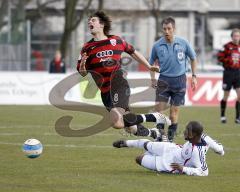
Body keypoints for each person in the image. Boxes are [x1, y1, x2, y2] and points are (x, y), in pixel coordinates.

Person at [76, 11, 171, 138]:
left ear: (102, 24)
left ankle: (154, 117)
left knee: (117, 121)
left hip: (118, 84)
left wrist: (148, 66)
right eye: (89, 21)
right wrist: (82, 67)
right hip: (105, 93)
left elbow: (133, 52)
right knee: (128, 127)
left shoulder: (116, 40)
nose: (89, 22)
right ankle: (155, 133)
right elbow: (82, 73)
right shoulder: (87, 48)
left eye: (93, 20)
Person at [113, 121, 224, 176]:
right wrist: (221, 151)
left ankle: (159, 138)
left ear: (193, 134)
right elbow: (218, 147)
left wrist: (183, 169)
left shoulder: (197, 153)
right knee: (147, 145)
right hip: (171, 149)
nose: (184, 131)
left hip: (169, 164)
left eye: (187, 130)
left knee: (139, 159)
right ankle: (126, 143)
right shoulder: (203, 136)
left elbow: (204, 172)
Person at [149, 17, 198, 141]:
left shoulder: (183, 43)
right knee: (159, 111)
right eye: (164, 29)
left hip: (180, 81)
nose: (166, 31)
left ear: (174, 29)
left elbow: (193, 58)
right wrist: (153, 79)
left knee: (173, 113)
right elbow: (151, 64)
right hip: (163, 80)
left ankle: (170, 141)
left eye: (169, 28)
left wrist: (194, 76)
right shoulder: (157, 45)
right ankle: (159, 138)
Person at [217, 28, 240, 124]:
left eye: (238, 36)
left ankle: (238, 117)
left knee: (239, 96)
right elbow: (219, 57)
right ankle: (222, 116)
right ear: (231, 37)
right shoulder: (226, 46)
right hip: (228, 73)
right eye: (235, 36)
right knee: (226, 95)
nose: (236, 38)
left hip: (238, 73)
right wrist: (228, 61)